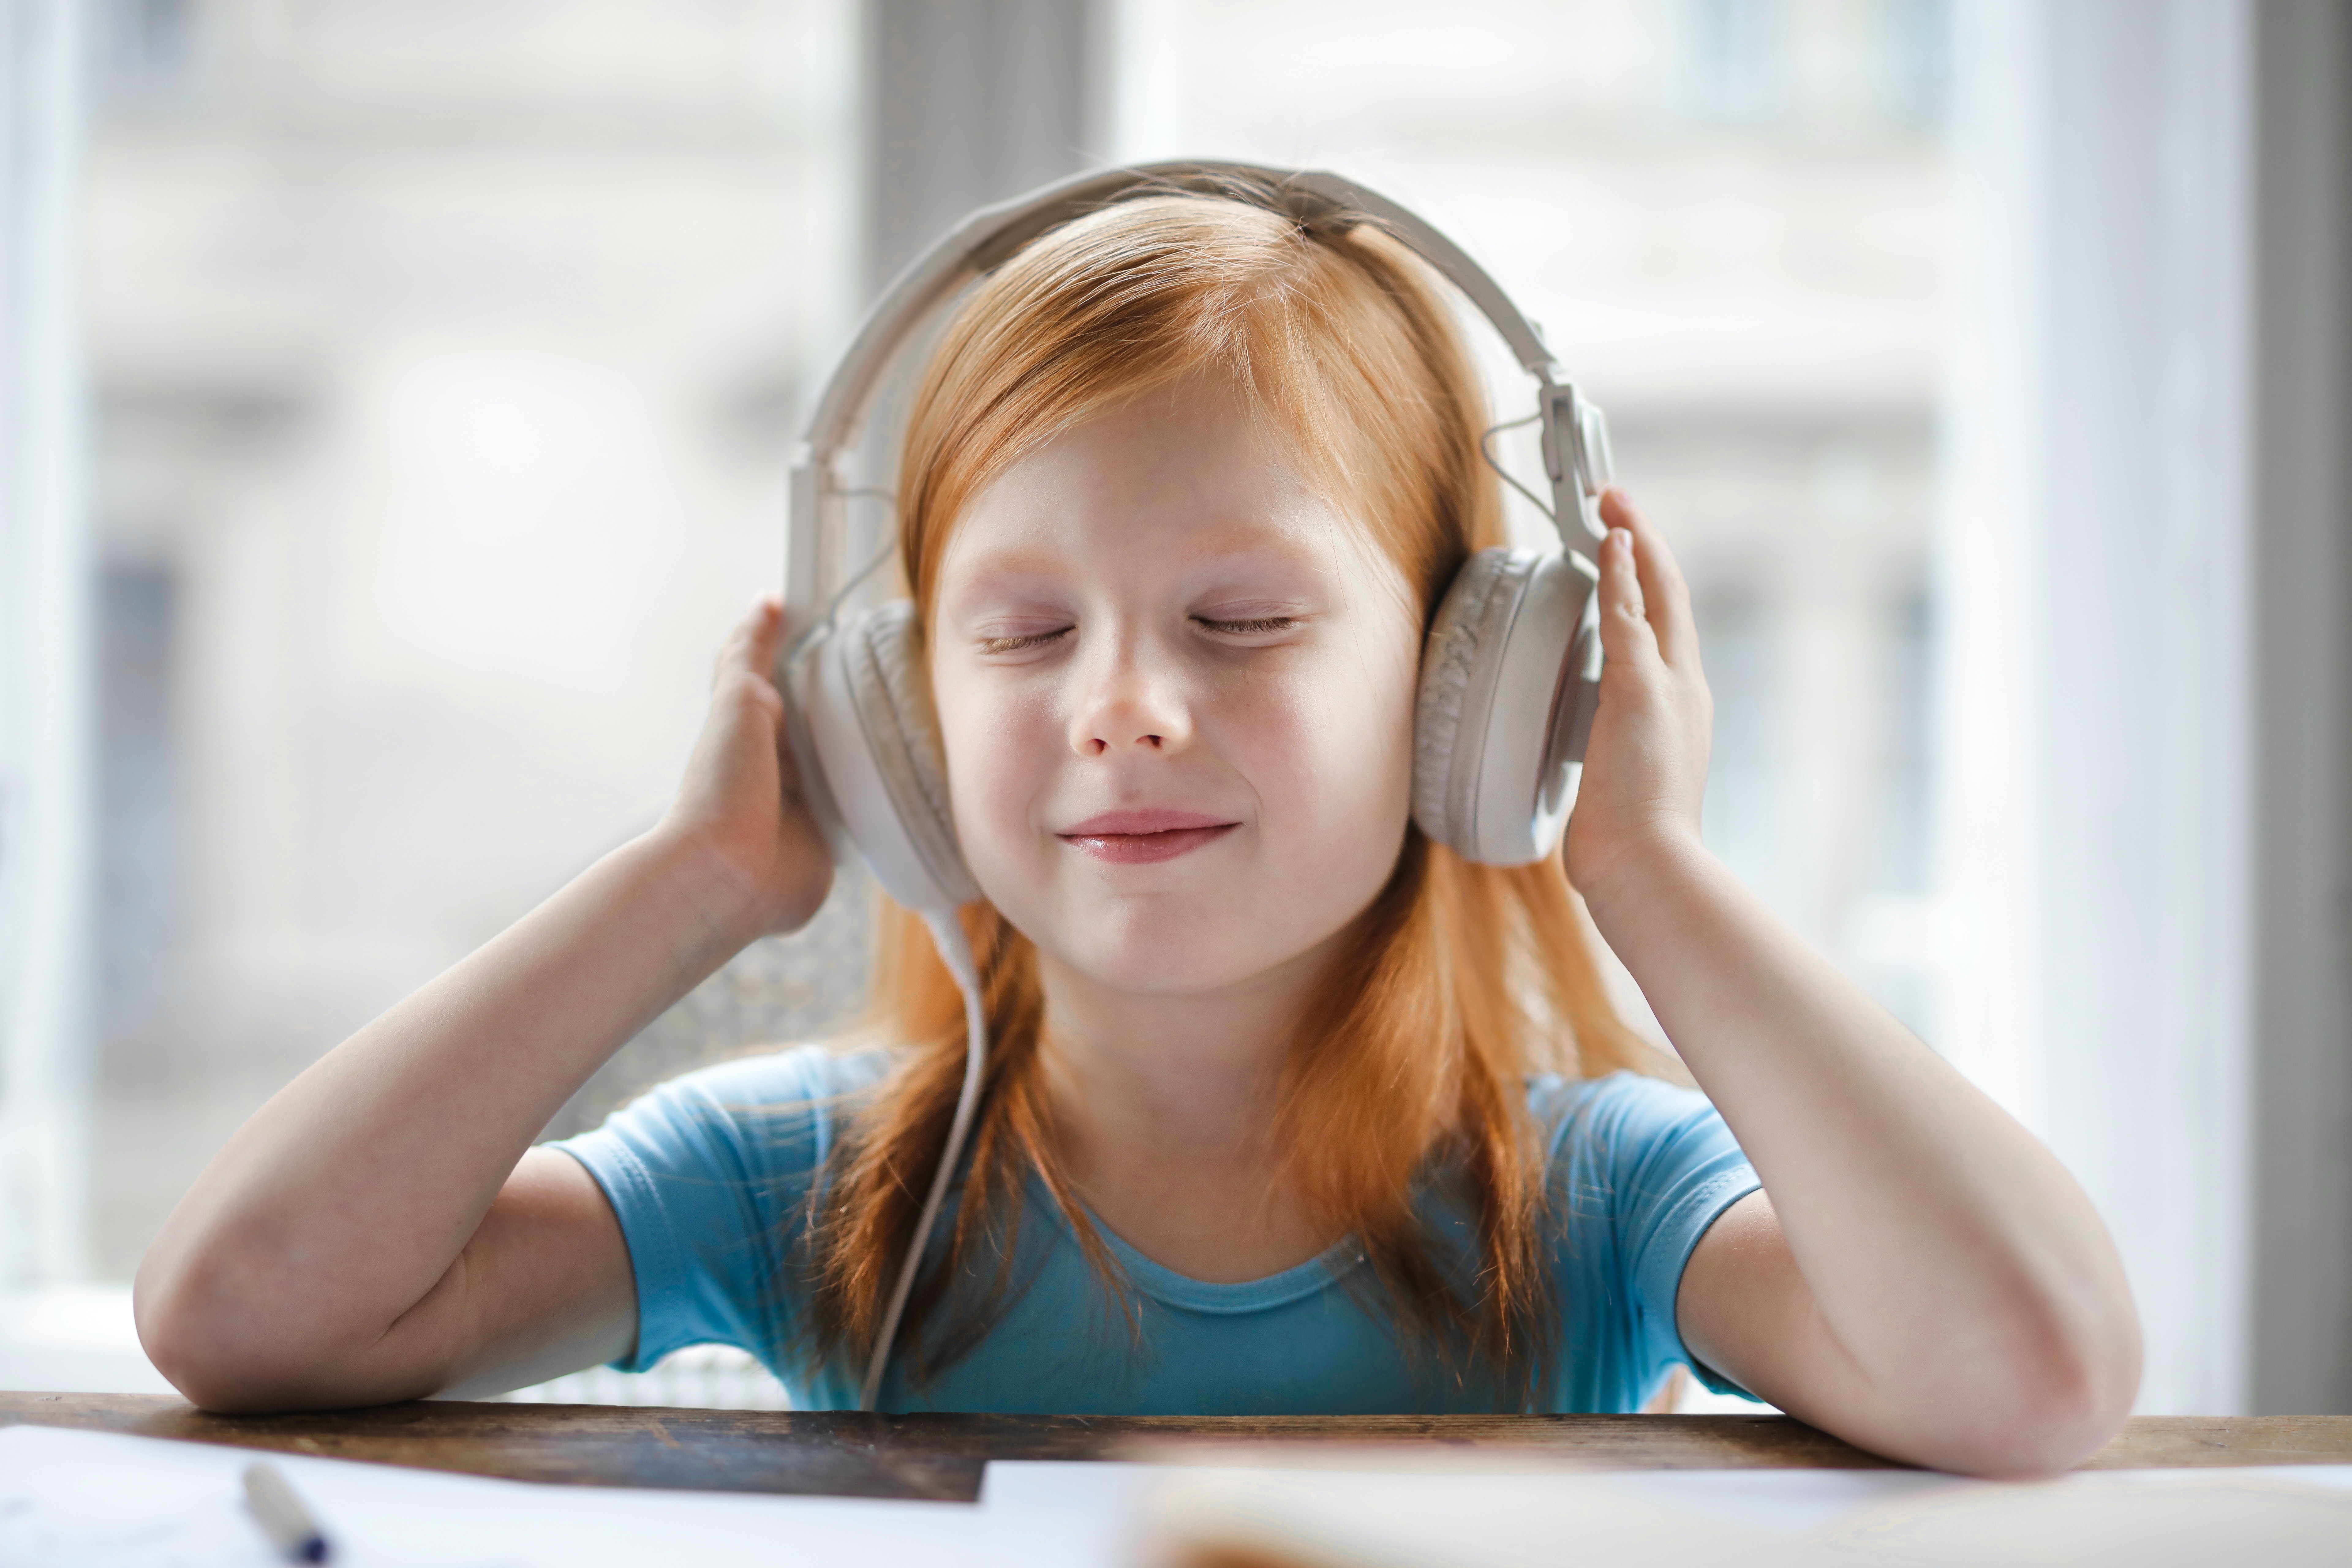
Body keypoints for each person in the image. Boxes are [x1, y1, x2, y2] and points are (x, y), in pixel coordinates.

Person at [135, 187, 2141, 1476]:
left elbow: (2033, 1374)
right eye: (1022, 633)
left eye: (1243, 621)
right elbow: (240, 1315)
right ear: (896, 723)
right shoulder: (822, 1184)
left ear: (1480, 692)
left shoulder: (1593, 1198)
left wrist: (1647, 867)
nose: (1123, 702)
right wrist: (696, 889)